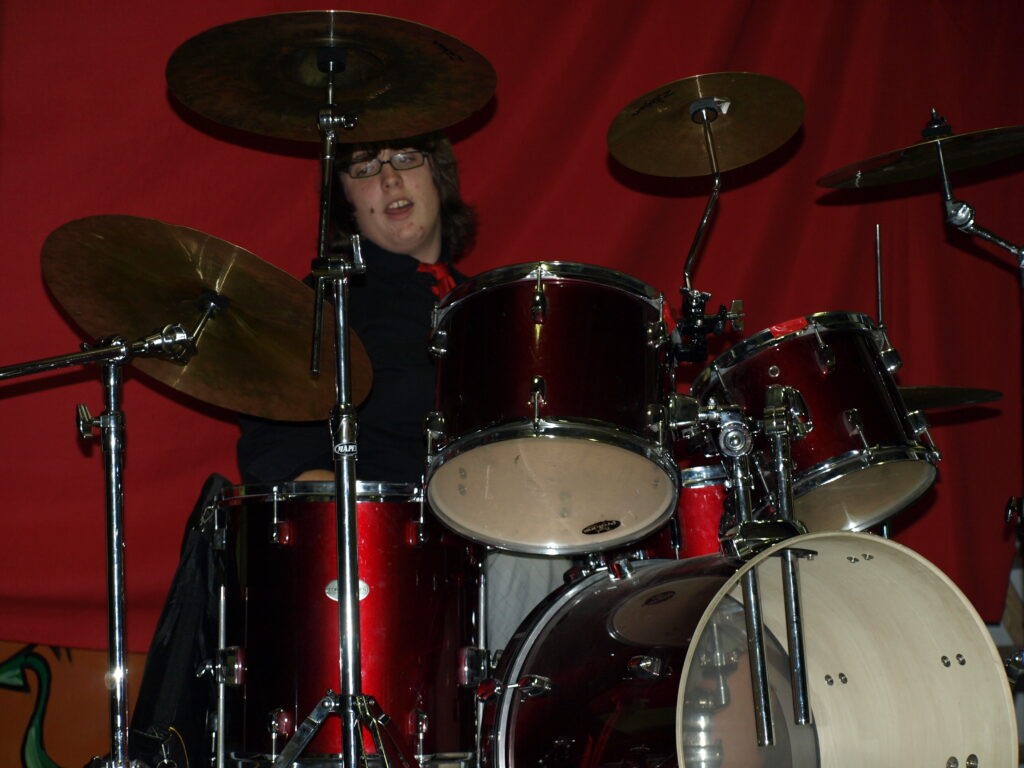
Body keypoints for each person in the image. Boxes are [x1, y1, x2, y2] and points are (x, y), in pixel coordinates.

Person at [236, 132, 568, 652]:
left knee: (561, 538)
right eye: (365, 168)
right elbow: (276, 451)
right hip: (383, 551)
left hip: (495, 529)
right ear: (346, 201)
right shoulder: (322, 307)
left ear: (437, 174)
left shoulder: (493, 307)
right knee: (529, 549)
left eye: (406, 159)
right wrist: (362, 524)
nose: (390, 178)